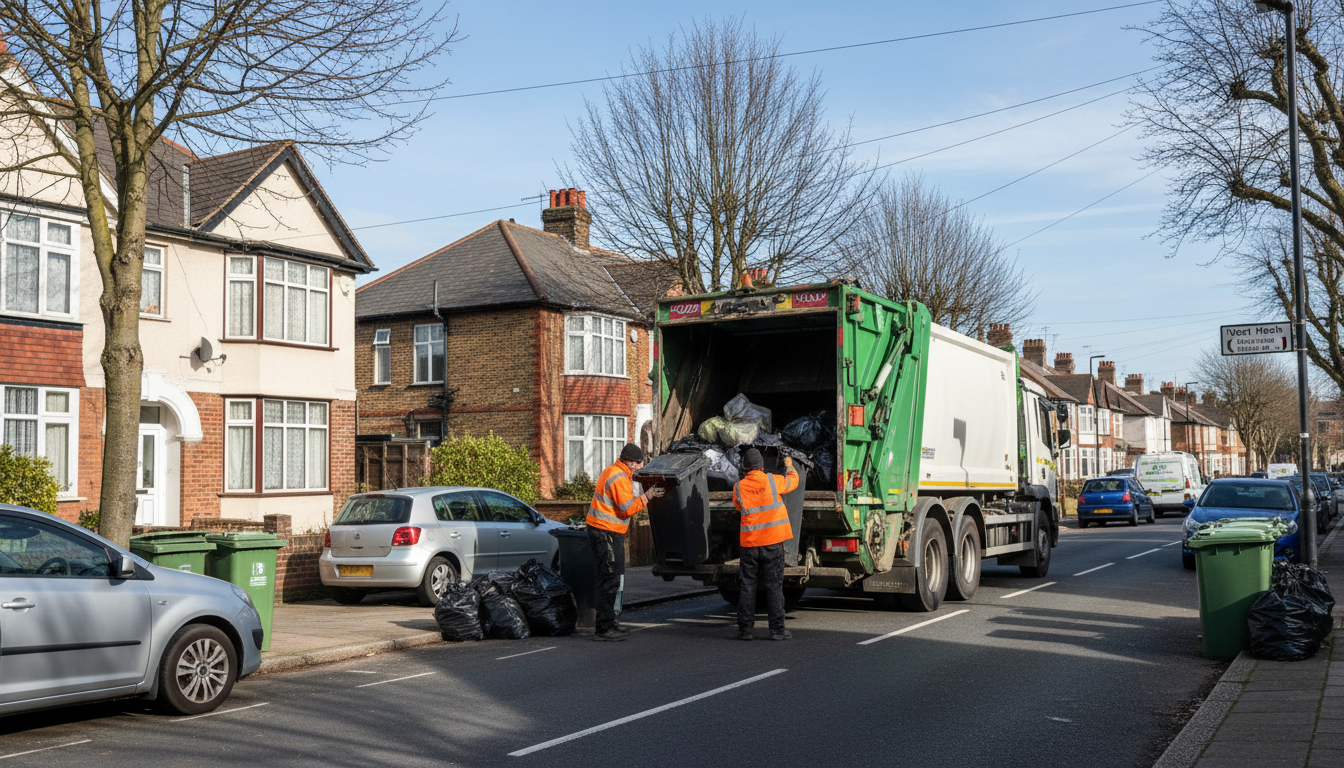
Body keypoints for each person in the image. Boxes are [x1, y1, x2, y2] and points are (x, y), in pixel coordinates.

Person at [586, 443, 665, 641]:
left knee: (611, 578)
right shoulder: (619, 477)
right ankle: (604, 628)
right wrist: (647, 496)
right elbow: (626, 509)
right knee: (609, 579)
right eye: (638, 464)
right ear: (630, 462)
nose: (639, 467)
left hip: (605, 531)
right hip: (605, 532)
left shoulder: (615, 472)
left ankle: (610, 623)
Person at [733, 448, 799, 641]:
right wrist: (789, 465)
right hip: (772, 543)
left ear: (745, 468)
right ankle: (777, 630)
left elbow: (739, 506)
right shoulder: (772, 481)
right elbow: (793, 482)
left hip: (750, 544)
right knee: (773, 586)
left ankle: (745, 630)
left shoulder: (739, 487)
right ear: (762, 466)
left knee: (747, 586)